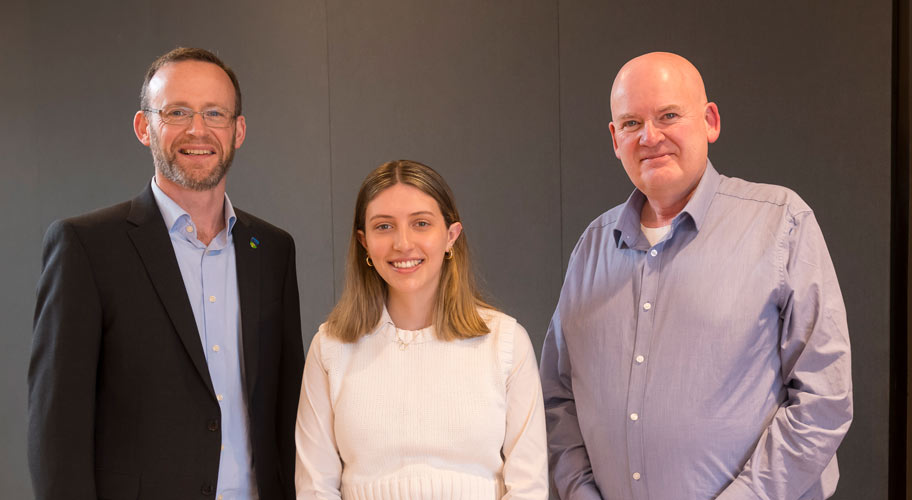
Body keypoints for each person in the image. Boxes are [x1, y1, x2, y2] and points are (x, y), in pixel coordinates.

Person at [540, 52, 852, 500]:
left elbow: (824, 400)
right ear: (614, 138)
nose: (650, 136)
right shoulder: (592, 246)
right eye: (631, 123)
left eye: (668, 115)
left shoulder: (781, 223)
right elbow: (558, 399)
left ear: (709, 121)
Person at [28, 47, 304, 500]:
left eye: (215, 113)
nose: (198, 129)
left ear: (238, 130)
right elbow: (57, 426)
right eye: (177, 111)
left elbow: (286, 403)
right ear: (145, 127)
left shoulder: (273, 250)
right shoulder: (87, 246)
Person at [295, 160, 548, 499]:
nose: (403, 243)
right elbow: (315, 488)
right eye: (384, 227)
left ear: (450, 236)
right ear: (364, 242)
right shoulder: (330, 348)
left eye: (421, 223)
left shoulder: (506, 343)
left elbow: (528, 488)